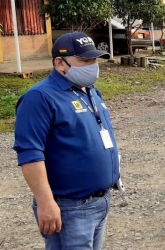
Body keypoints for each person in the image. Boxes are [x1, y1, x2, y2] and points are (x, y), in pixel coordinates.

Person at [13, 32, 122, 250]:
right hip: (69, 207)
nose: (92, 65)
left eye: (94, 60)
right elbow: (30, 153)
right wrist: (45, 203)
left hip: (100, 202)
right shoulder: (40, 98)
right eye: (84, 61)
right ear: (59, 63)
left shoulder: (90, 91)